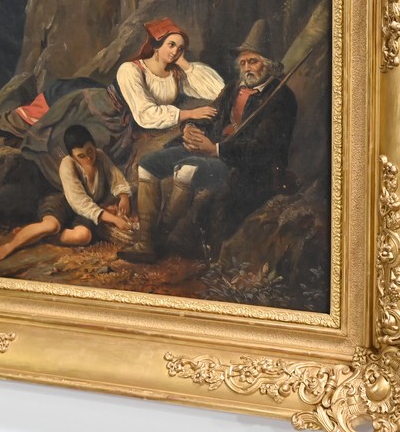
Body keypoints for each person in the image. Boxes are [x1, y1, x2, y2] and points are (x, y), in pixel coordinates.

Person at [0, 18, 225, 190]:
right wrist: (188, 113)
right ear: (157, 45)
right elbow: (144, 114)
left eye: (180, 48)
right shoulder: (131, 70)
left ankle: (15, 136)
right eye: (171, 45)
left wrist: (184, 64)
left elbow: (218, 89)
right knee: (54, 131)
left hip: (126, 127)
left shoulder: (177, 74)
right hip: (102, 112)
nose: (175, 51)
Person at [118, 19, 298, 263]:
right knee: (148, 164)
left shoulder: (280, 98)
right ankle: (146, 242)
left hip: (244, 165)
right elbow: (212, 115)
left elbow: (262, 148)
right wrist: (191, 128)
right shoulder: (234, 88)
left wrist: (216, 149)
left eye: (253, 61)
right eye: (243, 63)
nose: (247, 68)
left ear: (269, 64)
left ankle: (159, 237)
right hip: (211, 149)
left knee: (186, 170)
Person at [0, 125, 134, 261]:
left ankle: (40, 236)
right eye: (81, 155)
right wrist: (115, 219)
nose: (88, 158)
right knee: (51, 226)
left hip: (85, 210)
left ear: (94, 145)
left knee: (83, 236)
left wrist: (123, 197)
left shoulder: (101, 157)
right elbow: (79, 202)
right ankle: (11, 245)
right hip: (64, 202)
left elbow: (116, 178)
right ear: (72, 156)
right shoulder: (68, 164)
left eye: (90, 151)